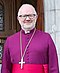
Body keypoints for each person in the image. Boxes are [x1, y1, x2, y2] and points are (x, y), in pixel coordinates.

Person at [1, 4, 59, 73]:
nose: (28, 19)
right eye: (24, 16)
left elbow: (54, 67)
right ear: (18, 18)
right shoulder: (10, 41)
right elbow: (5, 69)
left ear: (36, 17)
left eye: (31, 15)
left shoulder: (46, 38)